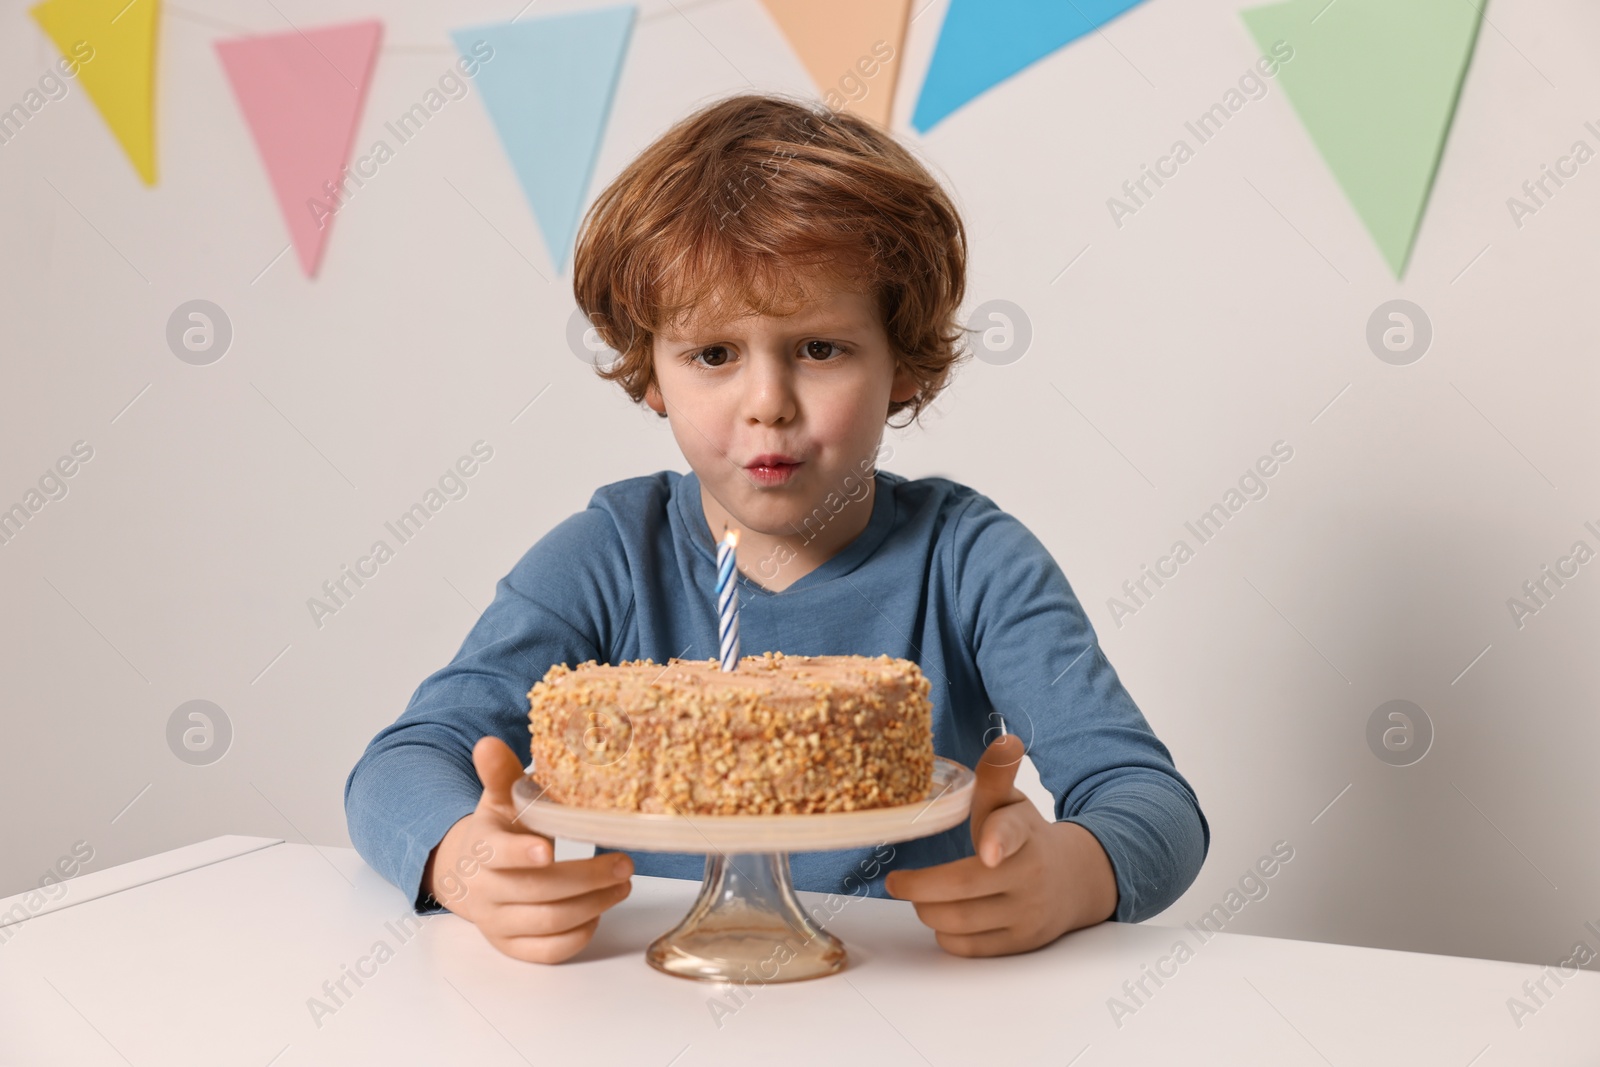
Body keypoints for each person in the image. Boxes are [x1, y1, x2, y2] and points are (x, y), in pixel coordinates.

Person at [345, 92, 1208, 965]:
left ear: (903, 362)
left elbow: (1146, 797)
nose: (768, 405)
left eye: (820, 348)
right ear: (652, 374)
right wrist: (467, 860)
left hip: (920, 1004)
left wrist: (1074, 872)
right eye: (714, 354)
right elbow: (404, 761)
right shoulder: (610, 555)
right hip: (655, 1000)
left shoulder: (972, 561)